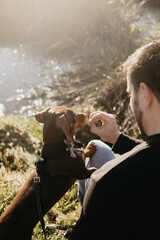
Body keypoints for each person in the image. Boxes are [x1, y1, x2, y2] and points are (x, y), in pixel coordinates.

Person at [69, 40, 160, 240]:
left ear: (144, 94)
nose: (130, 100)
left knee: (96, 150)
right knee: (100, 147)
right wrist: (117, 139)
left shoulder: (106, 183)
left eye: (130, 93)